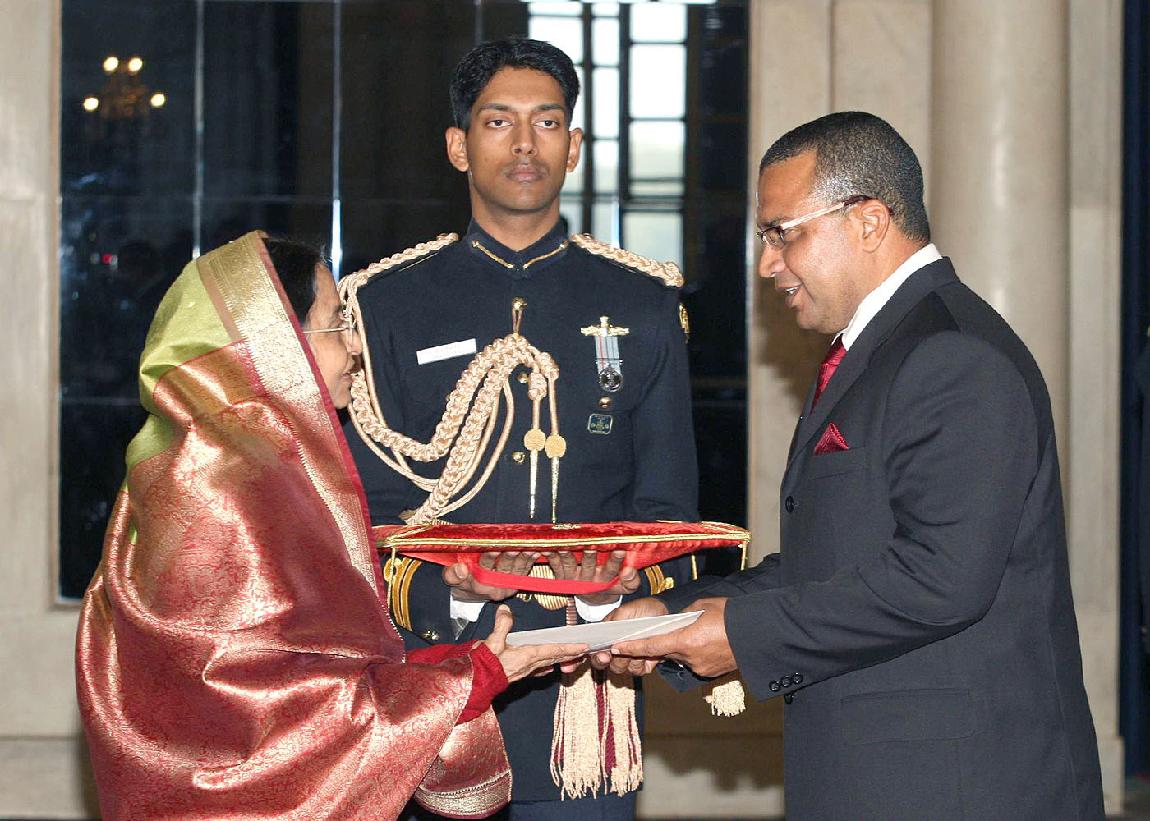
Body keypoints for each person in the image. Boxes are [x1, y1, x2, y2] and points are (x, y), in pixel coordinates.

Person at [597, 112, 1106, 820]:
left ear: (868, 222)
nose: (768, 264)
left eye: (783, 233)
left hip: (957, 786)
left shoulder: (953, 355)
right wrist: (676, 613)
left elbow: (941, 579)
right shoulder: (882, 347)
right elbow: (837, 562)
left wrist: (741, 635)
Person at [75, 232, 586, 821]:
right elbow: (261, 714)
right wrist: (471, 678)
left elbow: (300, 671)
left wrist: (457, 667)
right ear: (278, 341)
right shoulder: (225, 484)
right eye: (337, 325)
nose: (356, 349)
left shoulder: (230, 459)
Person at [346, 38, 699, 819]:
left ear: (574, 147)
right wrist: (449, 590)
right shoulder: (387, 306)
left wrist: (611, 594)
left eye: (547, 122)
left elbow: (669, 513)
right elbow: (367, 519)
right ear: (458, 146)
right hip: (432, 690)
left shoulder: (641, 303)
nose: (525, 144)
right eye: (498, 121)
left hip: (585, 699)